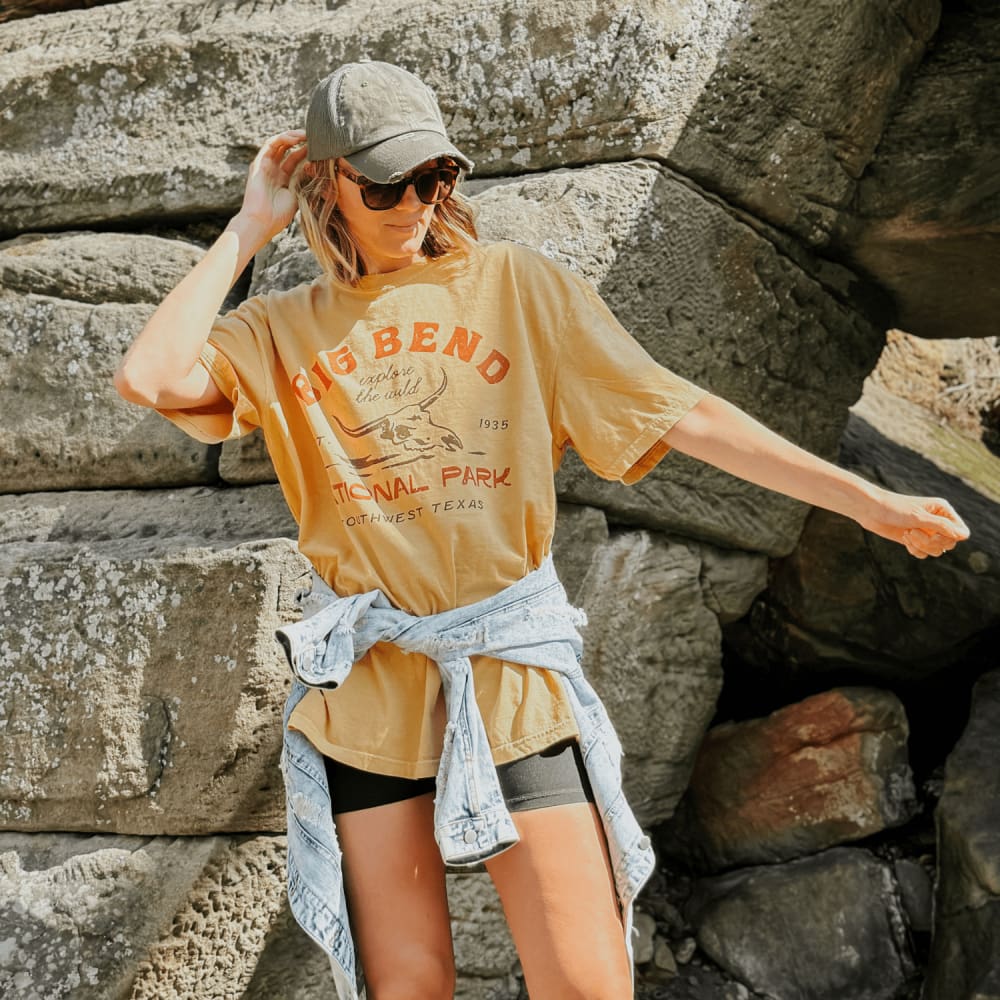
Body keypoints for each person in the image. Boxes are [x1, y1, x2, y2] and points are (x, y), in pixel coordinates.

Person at [114, 61, 969, 1000]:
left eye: (433, 178)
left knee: (587, 981)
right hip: (370, 686)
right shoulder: (282, 330)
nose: (413, 205)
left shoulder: (517, 288)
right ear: (329, 185)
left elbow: (683, 413)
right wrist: (248, 227)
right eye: (385, 185)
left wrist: (866, 501)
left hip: (507, 662)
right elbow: (150, 377)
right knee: (408, 988)